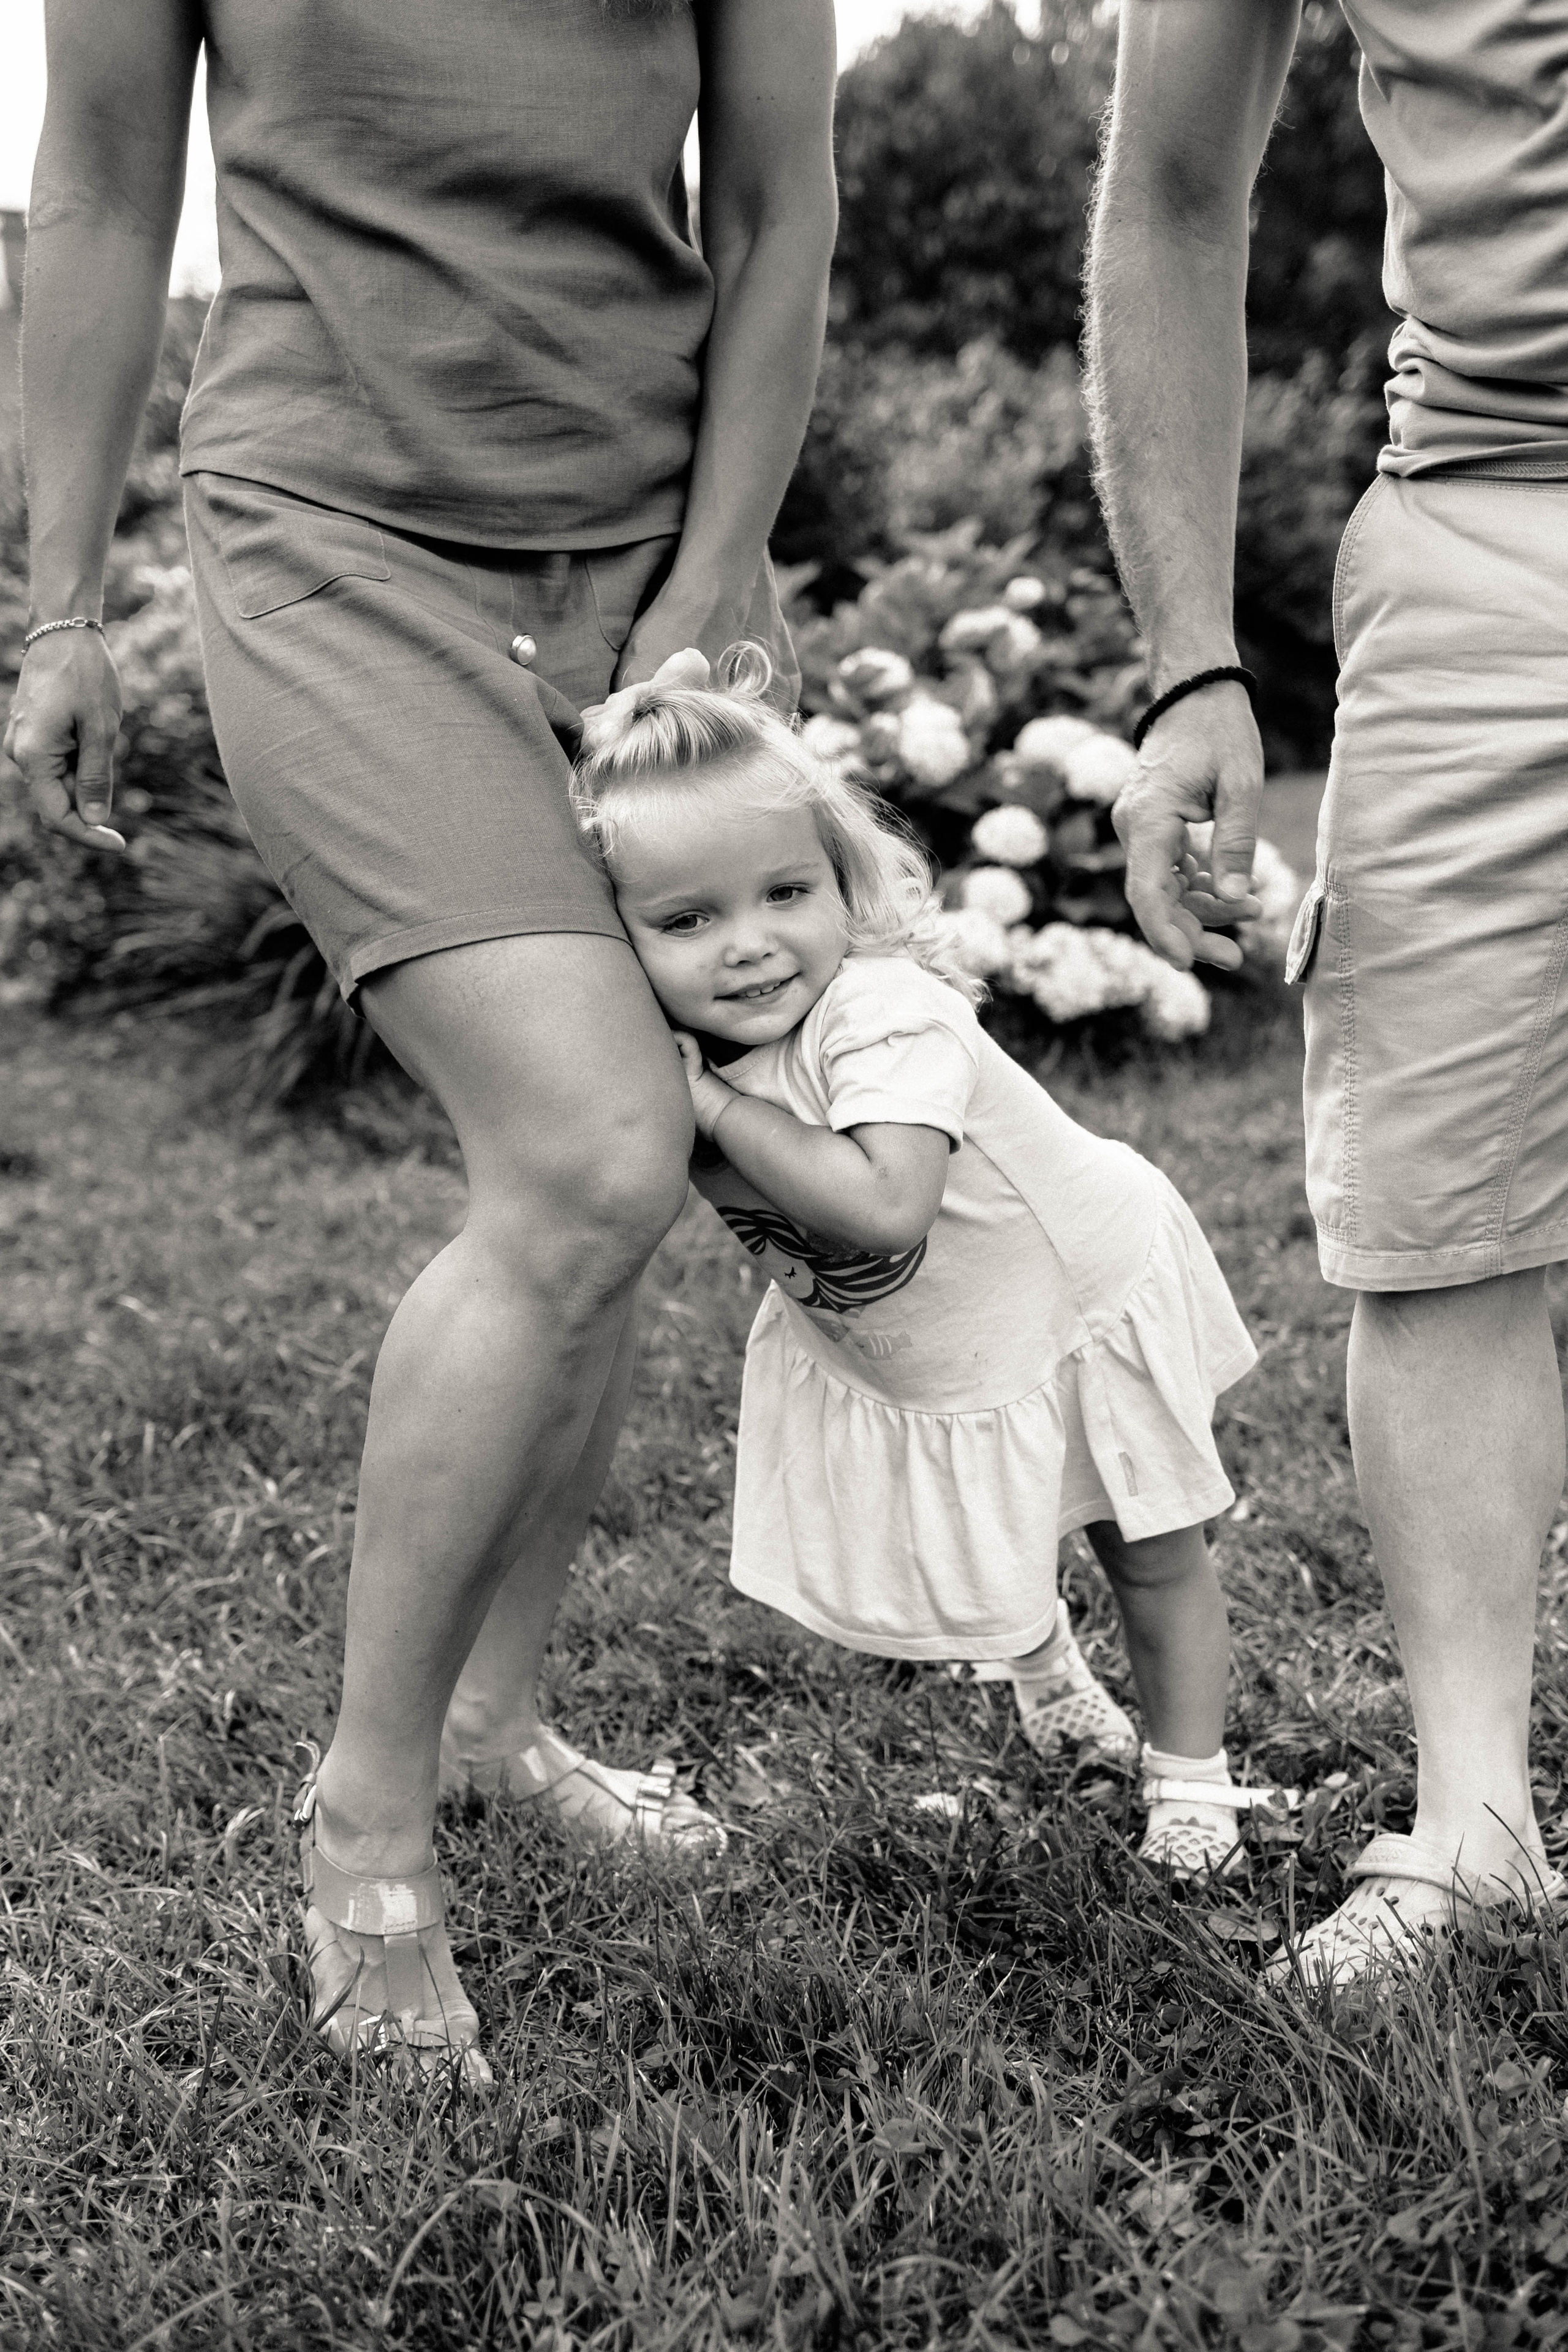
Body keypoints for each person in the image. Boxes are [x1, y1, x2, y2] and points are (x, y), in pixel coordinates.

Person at [4, 0, 837, 2081]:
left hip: (641, 550)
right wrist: (59, 603)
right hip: (330, 541)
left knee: (619, 1151)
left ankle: (495, 1717)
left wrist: (723, 553)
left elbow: (778, 193)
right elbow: (103, 180)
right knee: (587, 1144)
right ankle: (368, 1817)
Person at [1086, 0, 1568, 1981]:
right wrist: (1193, 660)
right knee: (1437, 1205)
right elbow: (1176, 187)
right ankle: (1476, 1829)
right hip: (1485, 525)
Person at [568, 646, 1274, 1879]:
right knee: (997, 1522)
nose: (748, 947)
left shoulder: (880, 1014)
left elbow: (888, 1207)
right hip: (935, 1331)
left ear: (843, 880)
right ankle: (1048, 1673)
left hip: (1069, 1300)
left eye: (784, 893)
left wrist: (724, 1118)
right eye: (687, 920)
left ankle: (1191, 1778)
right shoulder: (672, 1048)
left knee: (1147, 1547)